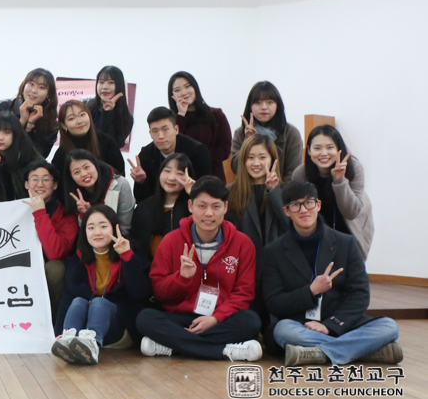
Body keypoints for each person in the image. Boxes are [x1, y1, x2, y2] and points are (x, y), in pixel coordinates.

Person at [263, 180, 401, 366]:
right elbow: (274, 303)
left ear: (318, 205)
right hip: (301, 325)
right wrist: (311, 291)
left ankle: (317, 353)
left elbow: (360, 294)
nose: (304, 210)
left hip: (341, 323)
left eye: (309, 203)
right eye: (295, 205)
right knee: (283, 331)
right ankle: (364, 351)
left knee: (389, 327)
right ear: (287, 211)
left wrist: (330, 326)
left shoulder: (346, 243)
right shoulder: (274, 251)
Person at [136, 176, 262, 361]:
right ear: (190, 206)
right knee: (145, 318)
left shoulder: (243, 243)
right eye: (202, 206)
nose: (208, 213)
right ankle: (224, 351)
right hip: (181, 316)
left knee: (251, 321)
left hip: (220, 318)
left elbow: (243, 293)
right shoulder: (171, 240)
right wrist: (182, 278)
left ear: (225, 208)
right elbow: (159, 292)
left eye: (216, 206)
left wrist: (216, 318)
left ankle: (173, 345)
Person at [51, 204, 152, 365]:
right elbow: (67, 298)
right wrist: (57, 334)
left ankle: (91, 344)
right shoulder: (77, 260)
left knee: (99, 302)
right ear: (84, 232)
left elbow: (140, 293)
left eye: (103, 226)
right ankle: (68, 339)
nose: (97, 232)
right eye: (91, 228)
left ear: (114, 228)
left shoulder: (131, 252)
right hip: (83, 329)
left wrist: (126, 256)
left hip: (120, 327)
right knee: (78, 301)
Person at [226, 134, 287, 330]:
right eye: (250, 158)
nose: (256, 163)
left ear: (273, 160)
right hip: (244, 271)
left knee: (274, 331)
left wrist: (274, 191)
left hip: (276, 273)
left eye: (262, 157)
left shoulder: (284, 191)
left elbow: (291, 225)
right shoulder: (230, 192)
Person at [293, 125, 373, 260]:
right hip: (318, 233)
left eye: (330, 147)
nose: (324, 153)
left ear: (339, 149)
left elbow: (351, 212)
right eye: (317, 148)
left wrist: (339, 180)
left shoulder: (354, 168)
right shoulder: (301, 174)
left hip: (352, 231)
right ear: (309, 151)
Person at [21, 161, 79, 316]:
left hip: (48, 269)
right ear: (26, 184)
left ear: (55, 185)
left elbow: (55, 254)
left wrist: (40, 213)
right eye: (34, 179)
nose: (40, 184)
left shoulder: (67, 215)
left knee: (55, 268)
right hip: (21, 265)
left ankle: (51, 321)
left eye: (46, 179)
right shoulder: (16, 210)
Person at [128, 107, 212, 203]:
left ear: (176, 129)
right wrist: (141, 181)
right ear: (150, 133)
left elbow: (207, 189)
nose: (160, 136)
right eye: (155, 131)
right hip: (158, 206)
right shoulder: (146, 154)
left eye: (165, 129)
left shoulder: (197, 151)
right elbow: (141, 200)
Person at [231, 81, 303, 182]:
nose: (264, 107)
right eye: (258, 102)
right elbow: (236, 168)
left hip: (281, 189)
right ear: (250, 106)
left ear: (278, 105)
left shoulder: (291, 133)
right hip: (248, 189)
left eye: (270, 102)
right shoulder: (240, 132)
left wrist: (276, 190)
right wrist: (248, 141)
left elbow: (293, 173)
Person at [168, 71, 231, 183]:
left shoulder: (216, 115)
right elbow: (173, 147)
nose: (184, 92)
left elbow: (225, 148)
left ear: (195, 87)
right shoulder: (172, 121)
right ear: (172, 96)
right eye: (177, 90)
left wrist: (200, 161)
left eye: (187, 86)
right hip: (182, 179)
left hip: (213, 178)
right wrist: (181, 115)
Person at [129, 153, 194, 258]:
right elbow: (135, 244)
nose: (171, 178)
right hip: (146, 265)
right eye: (167, 171)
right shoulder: (144, 207)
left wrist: (195, 194)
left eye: (179, 173)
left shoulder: (191, 208)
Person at [0, 112, 43, 202]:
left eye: (6, 133)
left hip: (26, 205)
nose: (0, 138)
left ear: (15, 135)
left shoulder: (28, 154)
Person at [62, 149, 135, 236]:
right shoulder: (75, 194)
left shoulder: (120, 185)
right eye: (77, 172)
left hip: (118, 239)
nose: (84, 174)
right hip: (92, 241)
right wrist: (86, 213)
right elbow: (83, 233)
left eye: (86, 167)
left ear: (95, 165)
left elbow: (124, 228)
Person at [0, 68, 59, 158]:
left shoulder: (51, 122)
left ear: (48, 95)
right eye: (31, 84)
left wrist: (30, 124)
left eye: (41, 87)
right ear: (24, 86)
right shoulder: (3, 107)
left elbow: (38, 157)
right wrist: (22, 121)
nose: (34, 90)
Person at [51, 100, 126, 177]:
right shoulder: (61, 155)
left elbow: (120, 175)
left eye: (82, 115)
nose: (79, 121)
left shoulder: (106, 141)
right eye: (71, 118)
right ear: (63, 125)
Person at [84, 65, 134, 148]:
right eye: (101, 82)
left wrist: (108, 113)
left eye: (111, 82)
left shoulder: (126, 117)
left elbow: (110, 145)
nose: (105, 87)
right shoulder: (87, 107)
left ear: (119, 86)